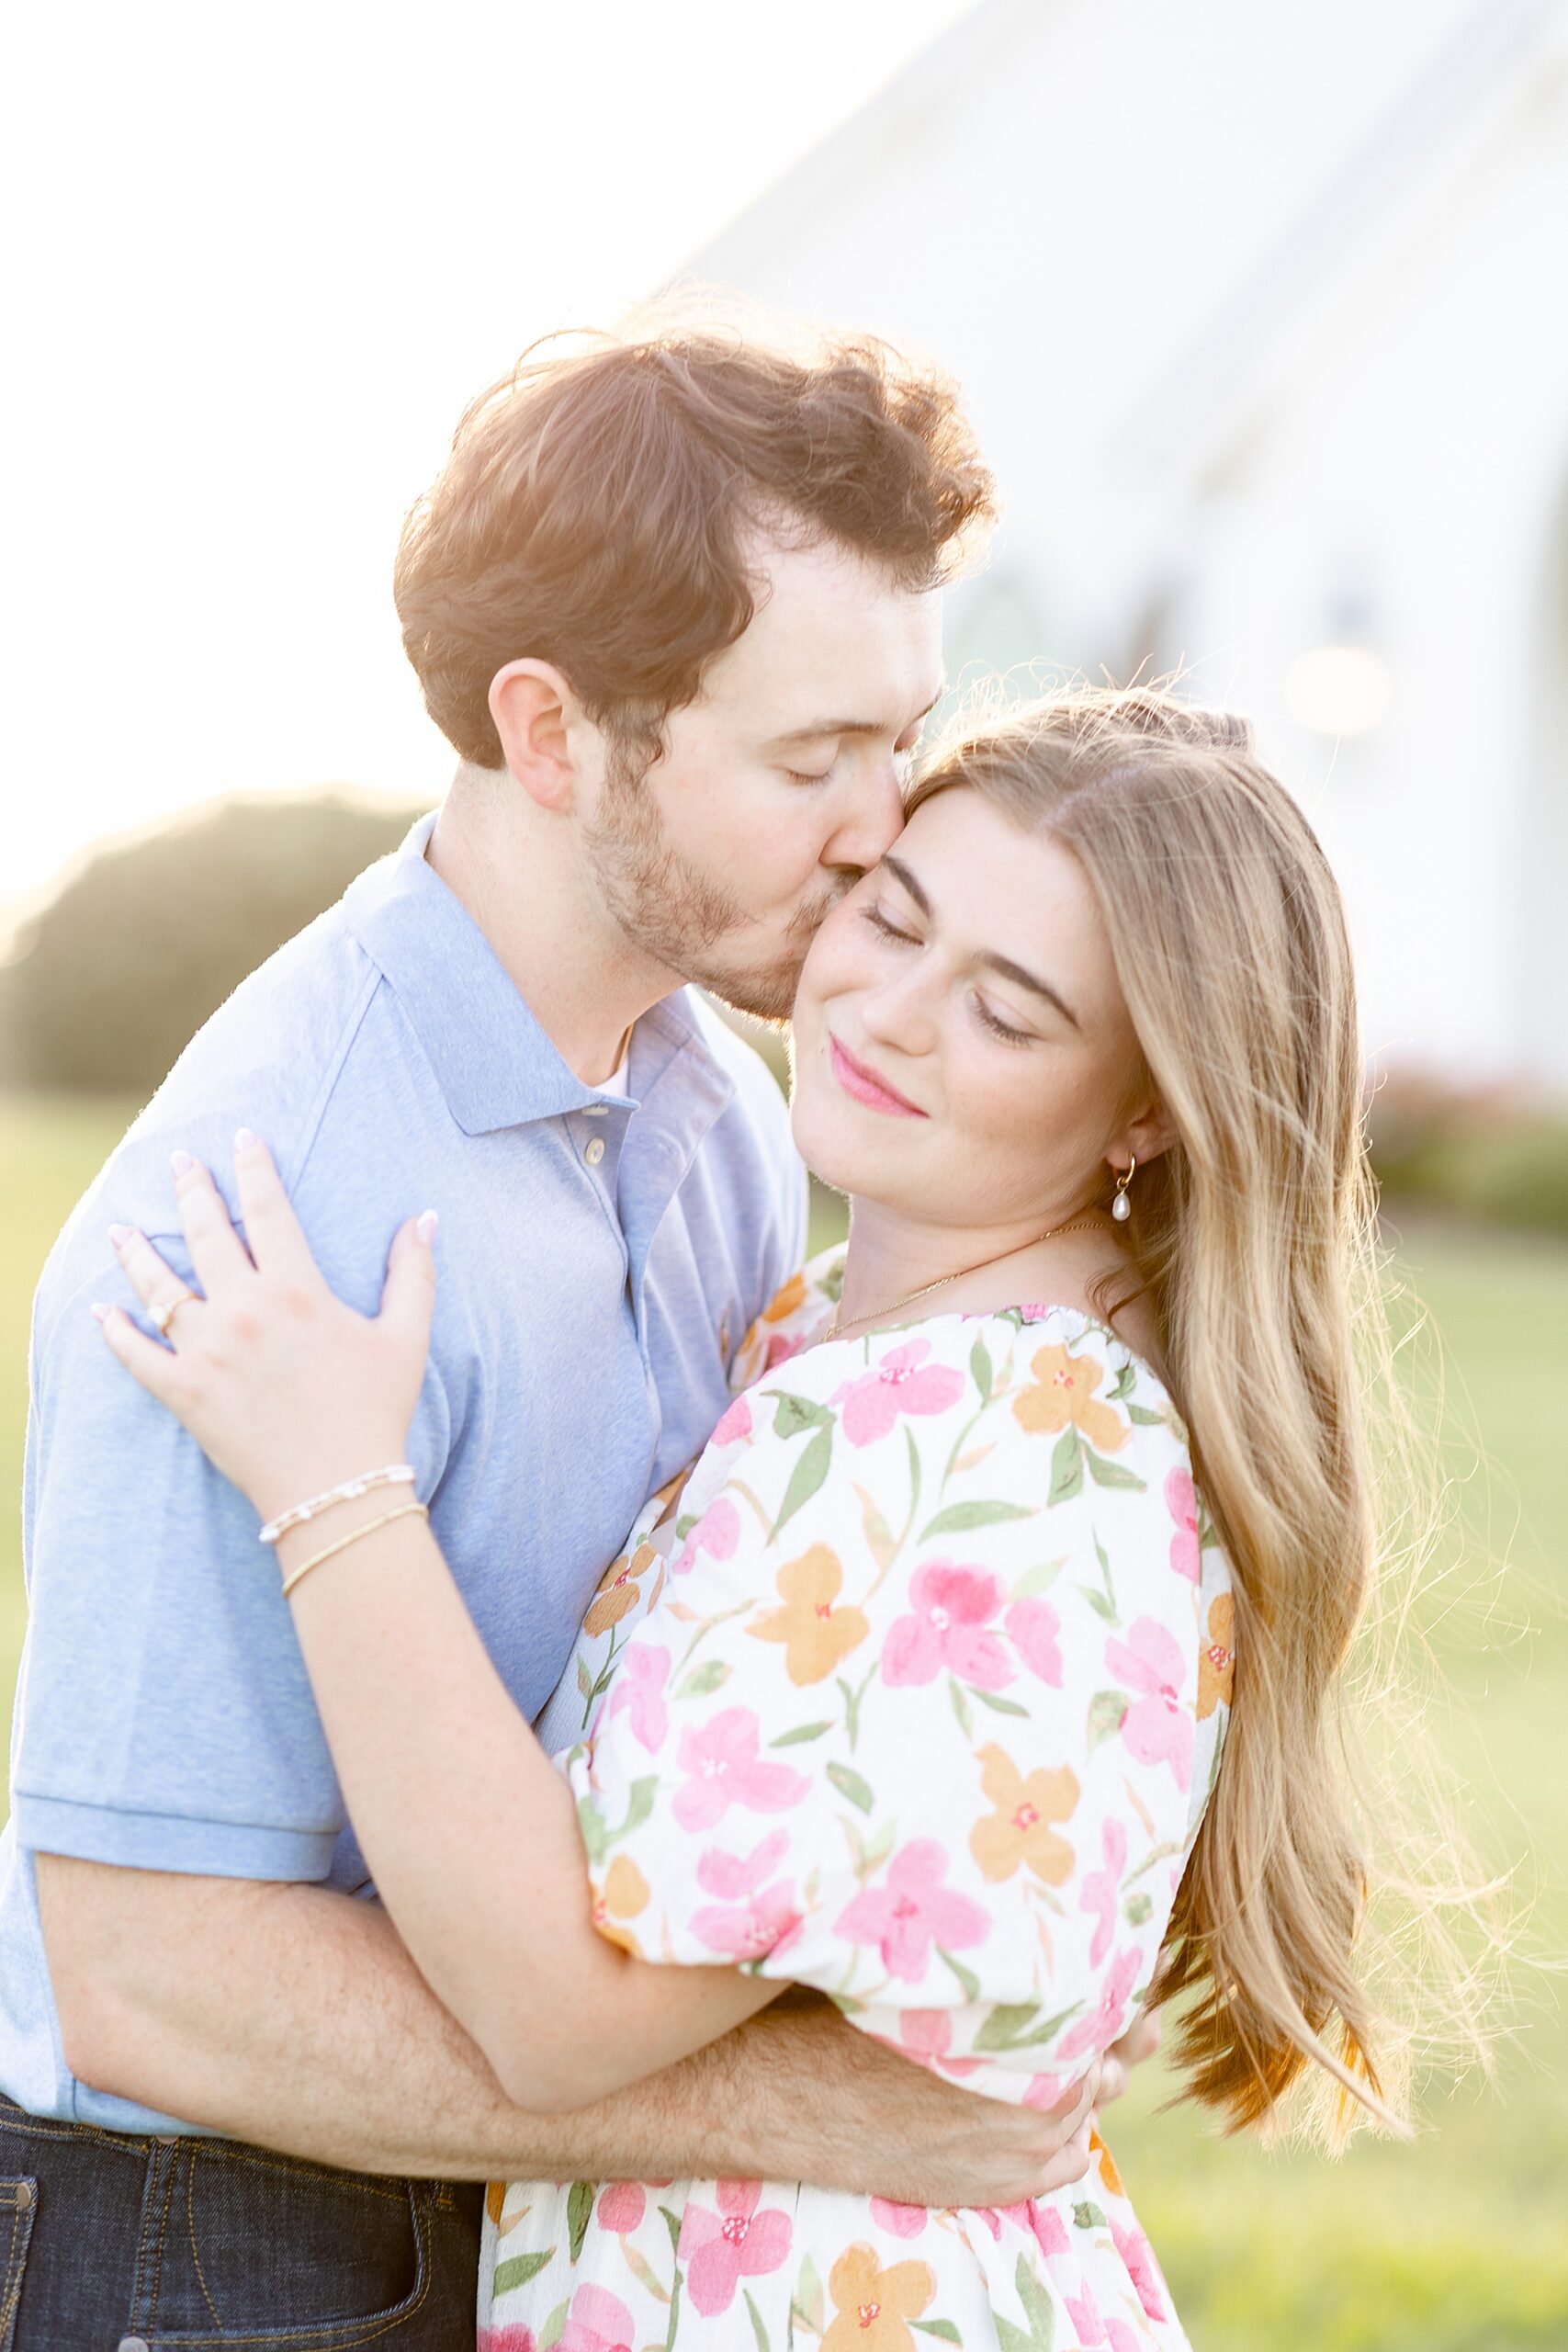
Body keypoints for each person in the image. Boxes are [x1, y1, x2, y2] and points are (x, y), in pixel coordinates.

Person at [0, 326, 1121, 2346]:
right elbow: (149, 1984)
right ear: (552, 732)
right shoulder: (267, 1218)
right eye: (810, 761)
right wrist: (809, 2107)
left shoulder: (729, 1115)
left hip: (545, 2219)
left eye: (899, 738)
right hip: (213, 2244)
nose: (884, 828)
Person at [96, 685, 1414, 2348]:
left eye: (1007, 1012)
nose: (891, 1012)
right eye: (895, 917)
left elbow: (557, 2015)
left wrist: (332, 1481)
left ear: (1148, 1108)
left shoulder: (993, 1433)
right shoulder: (857, 1339)